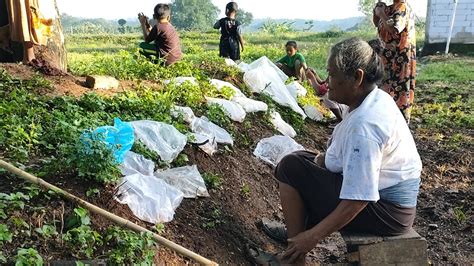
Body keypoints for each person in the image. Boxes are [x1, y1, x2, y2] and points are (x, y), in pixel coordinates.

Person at [254, 38, 422, 265]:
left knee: (291, 168)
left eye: (332, 75)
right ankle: (295, 234)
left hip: (388, 212)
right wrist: (323, 160)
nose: (327, 82)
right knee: (301, 161)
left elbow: (358, 199)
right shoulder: (372, 98)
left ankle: (295, 255)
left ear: (357, 78)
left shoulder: (366, 126)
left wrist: (312, 238)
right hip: (387, 202)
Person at [373, 0, 417, 123]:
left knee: (398, 92)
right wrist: (377, 12)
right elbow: (378, 24)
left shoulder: (402, 7)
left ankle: (396, 127)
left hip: (399, 59)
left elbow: (394, 29)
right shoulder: (389, 8)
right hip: (387, 58)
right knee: (383, 91)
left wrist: (381, 14)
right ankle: (382, 122)